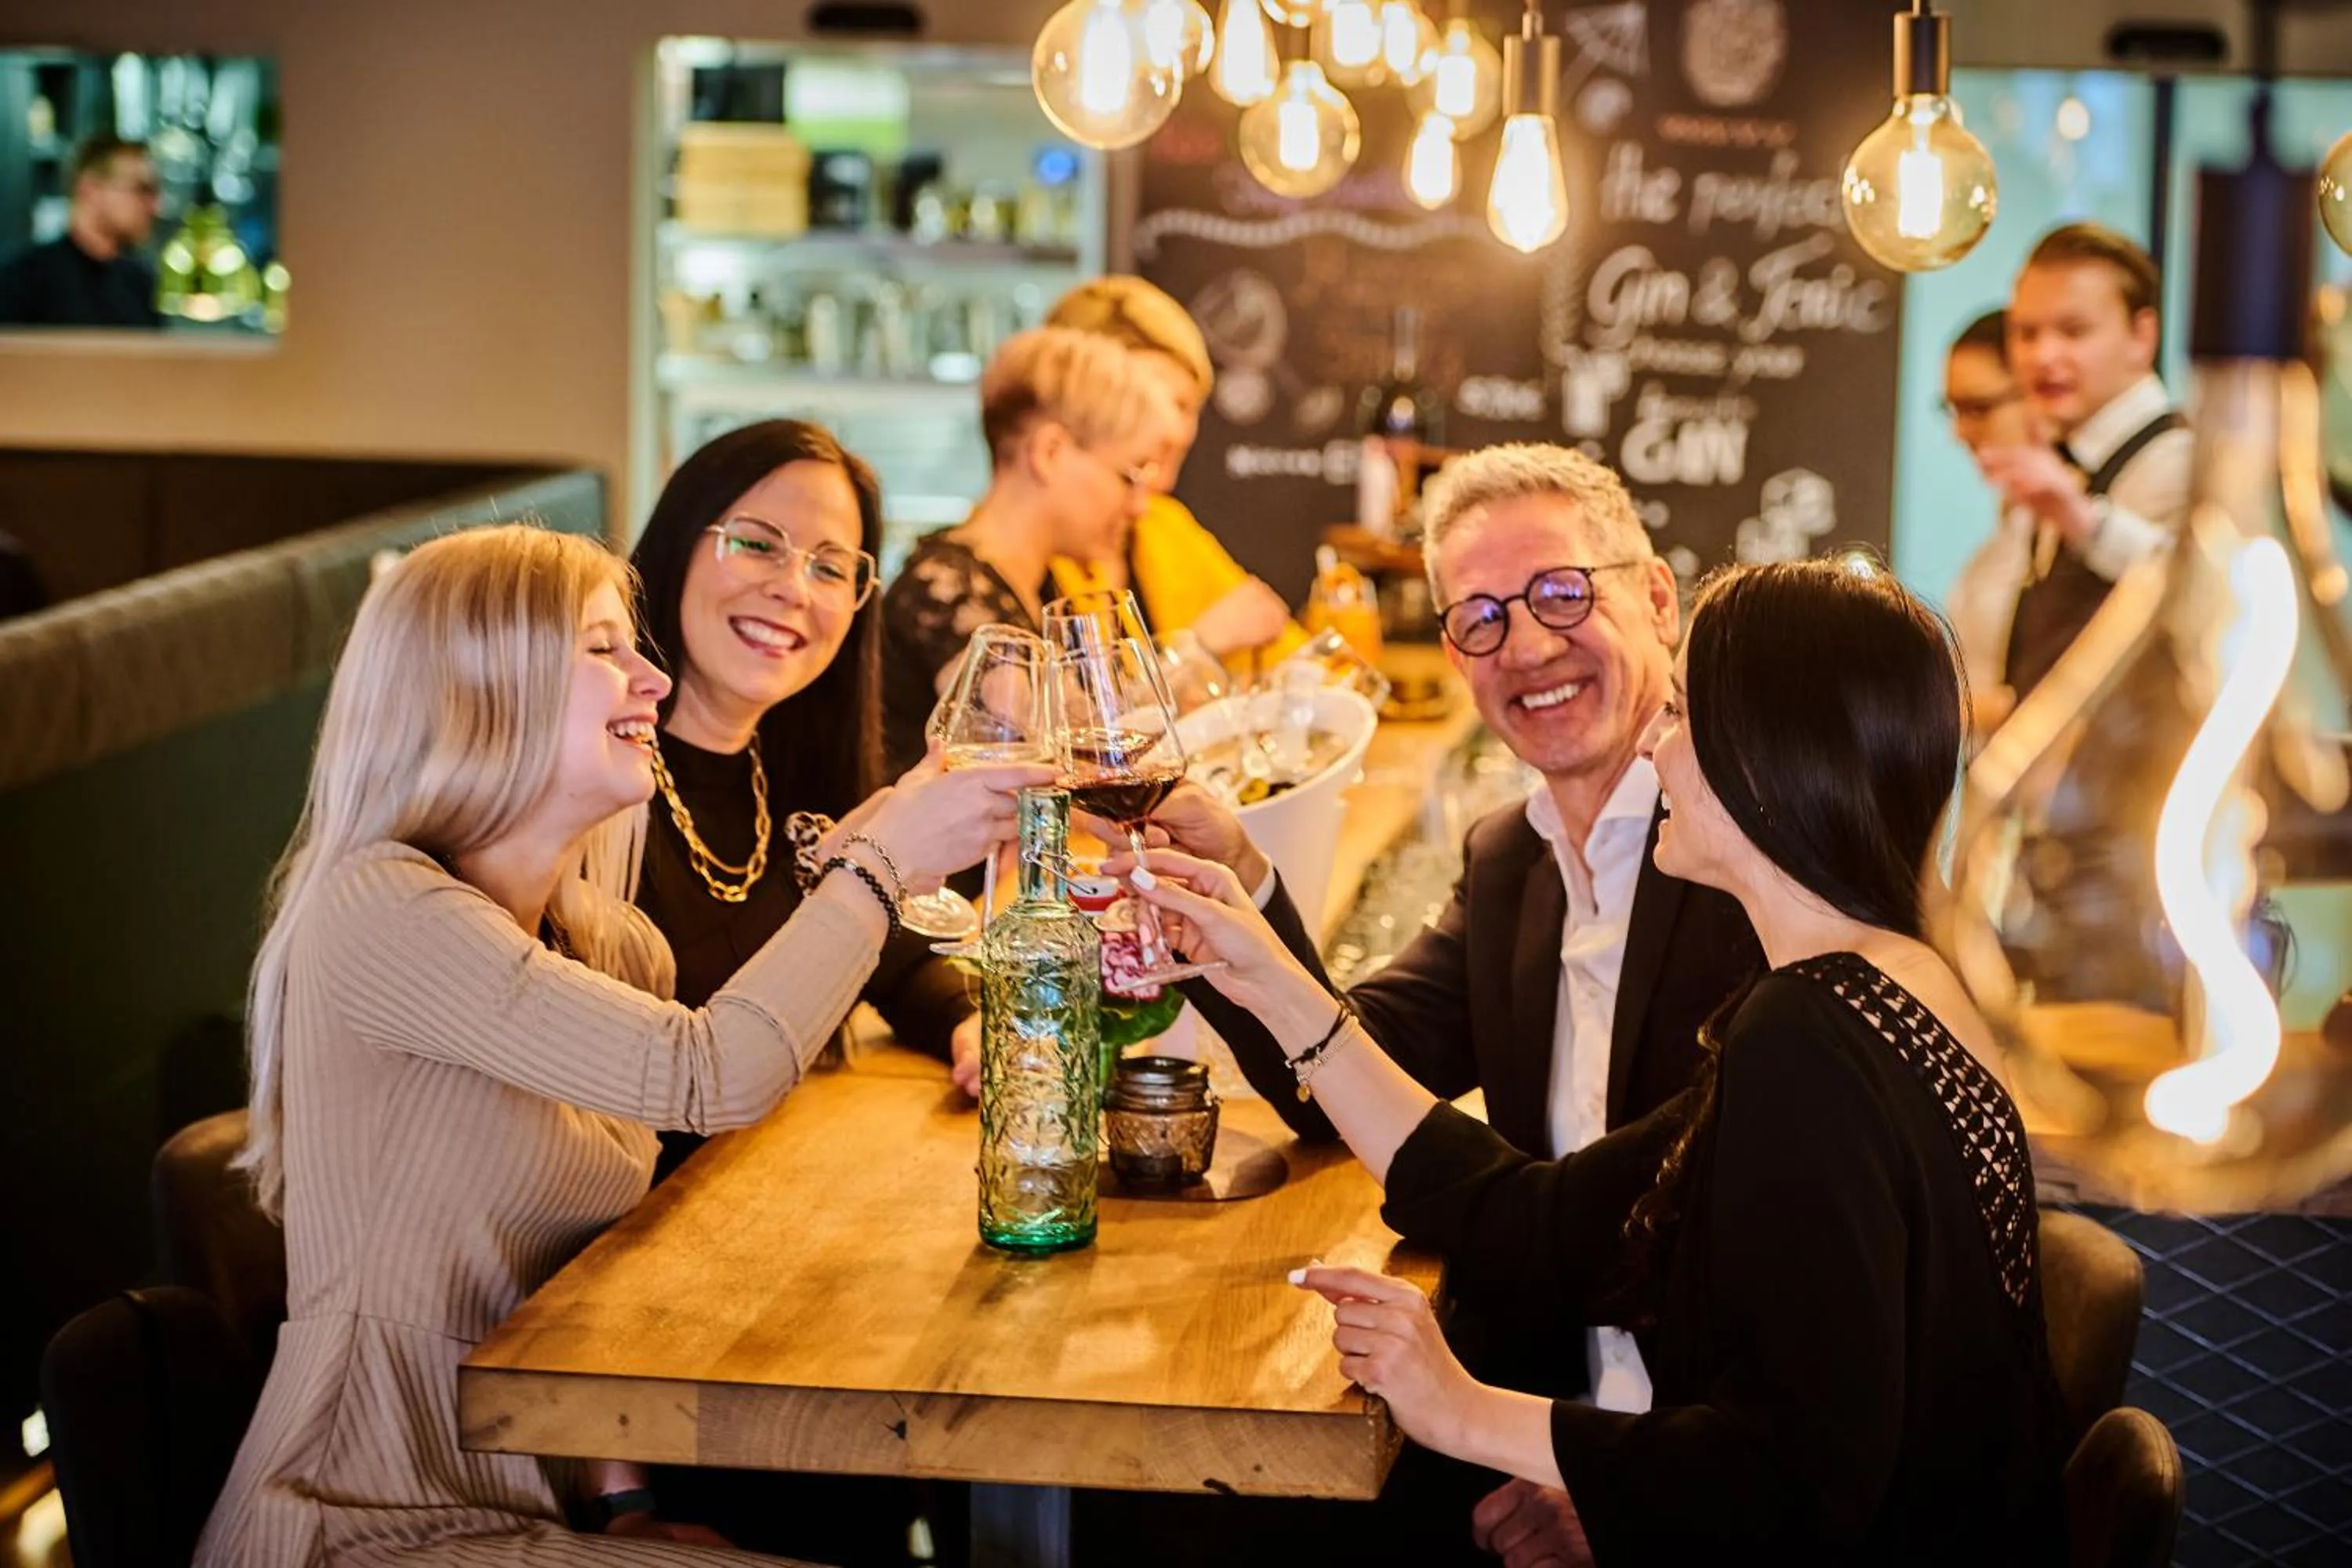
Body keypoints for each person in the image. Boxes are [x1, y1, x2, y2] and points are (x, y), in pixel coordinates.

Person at [1134, 557, 2070, 1564]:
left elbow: (1787, 1481)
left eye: (1683, 717)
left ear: (1763, 756)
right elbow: (1551, 1223)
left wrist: (1463, 1409)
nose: (1658, 751)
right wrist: (1266, 978)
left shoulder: (1808, 1039)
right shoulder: (1899, 981)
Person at [198, 524, 1048, 1565]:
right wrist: (875, 868)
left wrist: (619, 1505)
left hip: (544, 1508)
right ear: (482, 679)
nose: (652, 680)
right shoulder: (375, 907)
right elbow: (715, 1071)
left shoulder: (607, 940)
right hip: (359, 1515)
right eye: (605, 648)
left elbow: (586, 1281)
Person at [1122, 443, 1762, 1559]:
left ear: (1658, 597)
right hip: (1537, 1406)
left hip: (1707, 1472)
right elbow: (1338, 1084)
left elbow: (1756, 1283)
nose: (1527, 646)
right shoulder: (1513, 856)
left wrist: (1614, 1493)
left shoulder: (1745, 861)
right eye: (1479, 618)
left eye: (1562, 593)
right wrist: (1238, 883)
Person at [630, 420, 985, 1116]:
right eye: (758, 545)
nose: (794, 588)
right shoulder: (593, 780)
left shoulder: (790, 767)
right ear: (678, 543)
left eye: (829, 567)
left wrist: (965, 1023)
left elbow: (890, 953)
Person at [879, 325, 1175, 775]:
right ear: (1050, 452)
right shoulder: (949, 591)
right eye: (1129, 476)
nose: (1140, 507)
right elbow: (1061, 758)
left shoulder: (1036, 583)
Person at [1976, 223, 2190, 703]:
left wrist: (2081, 518)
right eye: (2026, 333)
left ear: (2142, 336)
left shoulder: (2178, 459)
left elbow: (2203, 599)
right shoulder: (2060, 457)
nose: (2043, 356)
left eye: (2074, 331)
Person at [1044, 275, 1302, 664]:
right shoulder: (1023, 555)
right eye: (1153, 401)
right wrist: (1198, 647)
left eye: (1187, 406)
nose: (1175, 430)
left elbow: (1285, 649)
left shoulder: (1162, 527)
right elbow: (1081, 715)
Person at [1937, 309, 2044, 734]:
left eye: (1977, 408)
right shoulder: (2013, 520)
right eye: (1953, 410)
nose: (1959, 432)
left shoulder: (2077, 527)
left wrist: (1922, 716)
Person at [0, 136, 163, 328]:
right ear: (90, 189)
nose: (155, 207)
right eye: (142, 189)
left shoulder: (140, 283)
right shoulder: (21, 279)